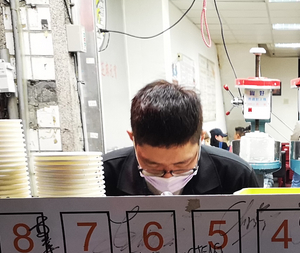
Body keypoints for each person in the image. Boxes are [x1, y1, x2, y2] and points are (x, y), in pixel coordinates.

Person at [103, 80, 259, 196]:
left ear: (201, 139)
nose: (168, 178)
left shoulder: (236, 176)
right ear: (133, 139)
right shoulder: (101, 177)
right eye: (153, 166)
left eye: (182, 165)